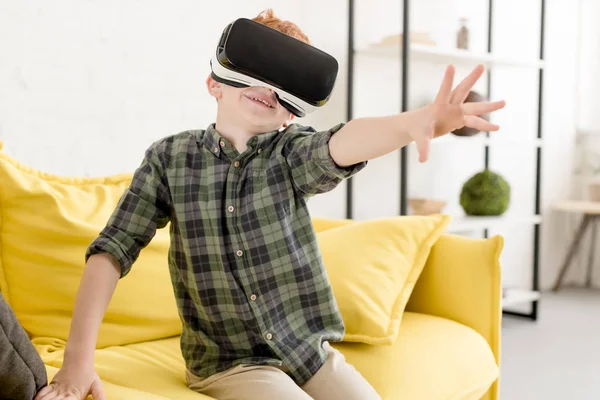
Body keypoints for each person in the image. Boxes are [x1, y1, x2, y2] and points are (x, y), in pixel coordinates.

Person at [34, 8, 505, 400]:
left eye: (286, 83)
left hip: (309, 352)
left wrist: (413, 123)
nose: (268, 87)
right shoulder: (168, 160)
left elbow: (343, 142)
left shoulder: (291, 154)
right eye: (254, 72)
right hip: (229, 363)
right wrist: (77, 362)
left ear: (291, 110)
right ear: (214, 83)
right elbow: (112, 250)